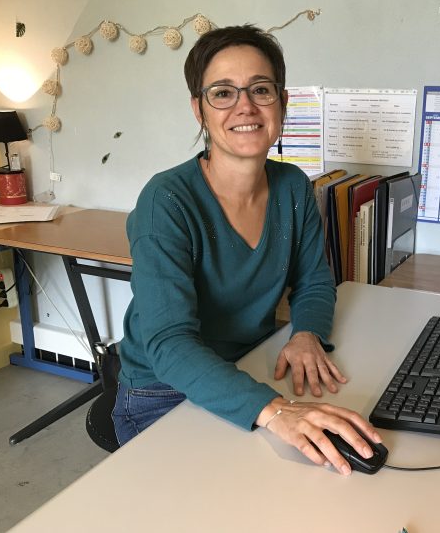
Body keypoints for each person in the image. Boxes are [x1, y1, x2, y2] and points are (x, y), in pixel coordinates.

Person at [112, 25, 382, 475]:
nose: (245, 106)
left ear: (283, 102)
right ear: (198, 109)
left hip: (248, 368)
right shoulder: (166, 201)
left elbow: (313, 278)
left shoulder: (293, 186)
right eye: (222, 92)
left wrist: (306, 333)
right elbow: (169, 345)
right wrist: (278, 411)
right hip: (161, 393)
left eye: (261, 89)